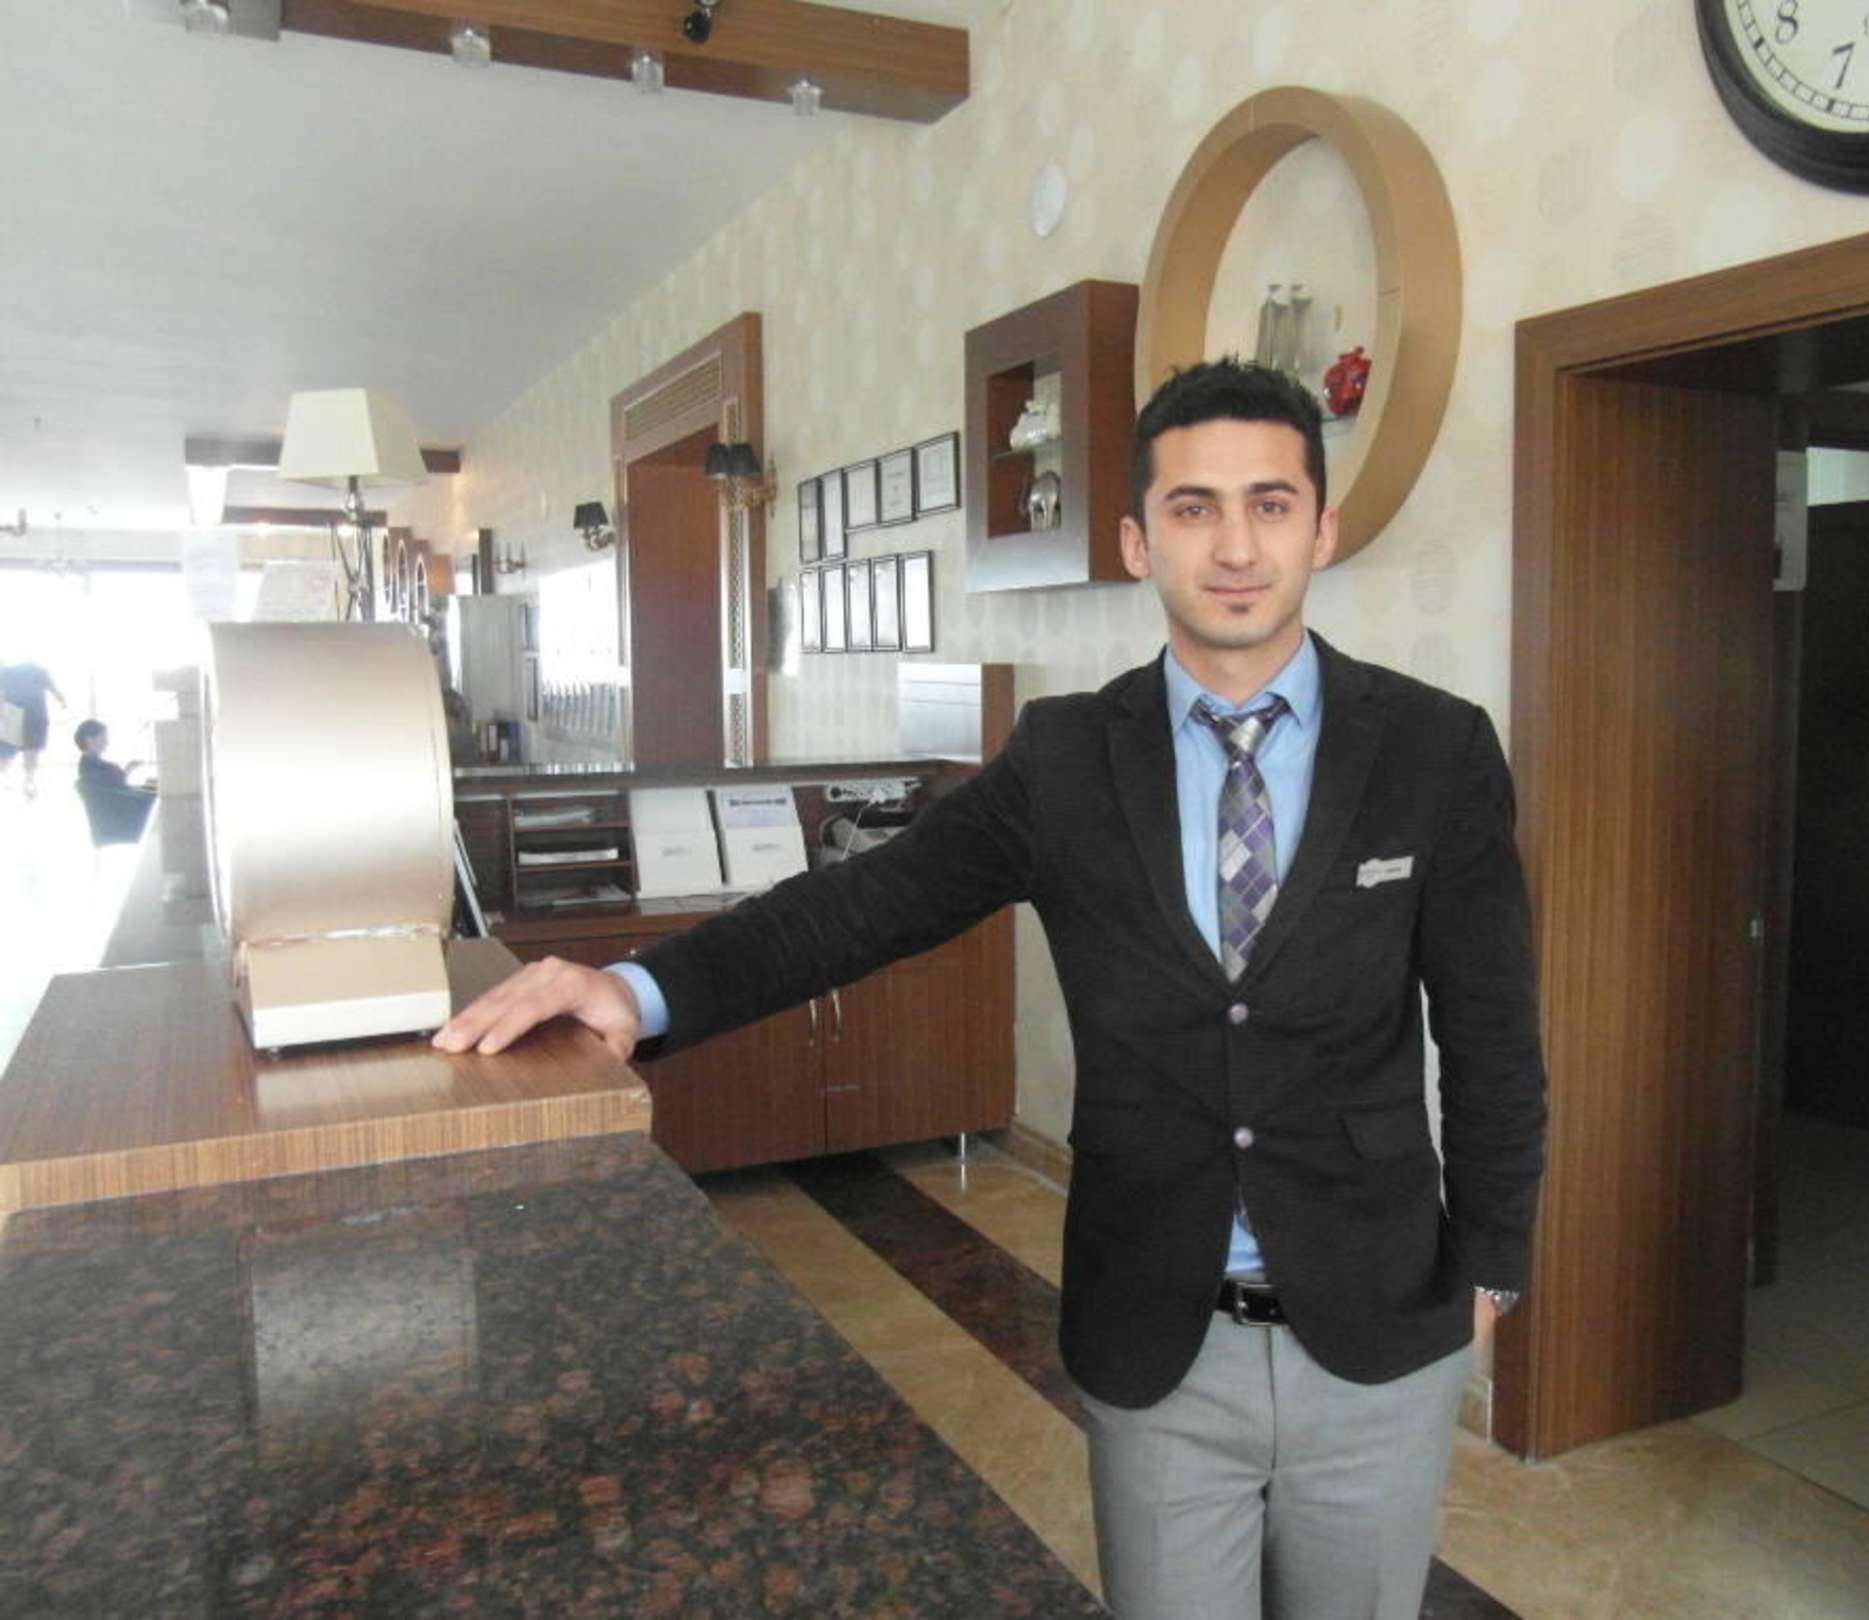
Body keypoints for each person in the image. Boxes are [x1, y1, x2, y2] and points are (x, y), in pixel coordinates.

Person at [436, 360, 1548, 1620]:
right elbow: (862, 905)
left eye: (1271, 504)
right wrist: (637, 991)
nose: (1237, 546)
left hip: (1379, 1327)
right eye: (1193, 508)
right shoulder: (1068, 758)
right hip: (1158, 1336)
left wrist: (1494, 1271)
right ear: (1137, 541)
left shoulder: (1434, 748)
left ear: (1321, 529)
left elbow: (1495, 1036)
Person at [0, 657, 66, 799]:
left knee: (6, 752)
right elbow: (55, 690)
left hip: (14, 712)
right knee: (30, 751)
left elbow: (2, 694)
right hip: (34, 712)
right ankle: (29, 781)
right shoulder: (38, 669)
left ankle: (20, 780)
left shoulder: (6, 671)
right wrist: (61, 700)